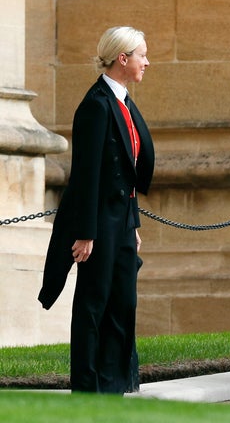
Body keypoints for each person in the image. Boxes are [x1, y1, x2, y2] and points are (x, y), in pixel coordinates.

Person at [38, 26, 155, 393]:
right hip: (98, 225)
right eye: (142, 55)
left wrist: (132, 224)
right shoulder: (95, 104)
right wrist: (85, 232)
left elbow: (127, 174)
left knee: (123, 303)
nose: (147, 62)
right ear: (123, 59)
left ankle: (114, 383)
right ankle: (88, 390)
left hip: (121, 223)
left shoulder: (122, 101)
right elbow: (86, 176)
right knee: (94, 305)